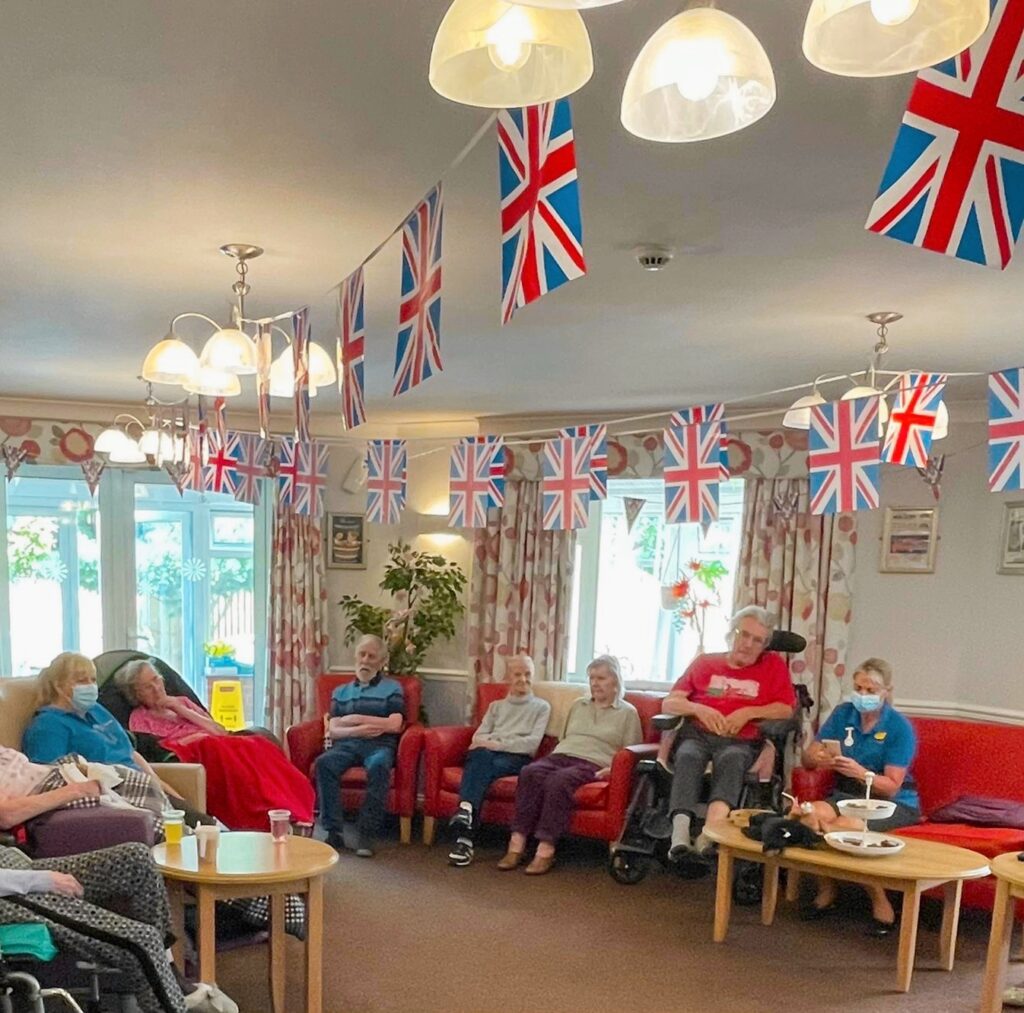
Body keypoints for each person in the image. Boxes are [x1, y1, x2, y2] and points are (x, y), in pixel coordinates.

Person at [0, 841, 237, 1013]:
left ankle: (171, 977)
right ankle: (171, 1003)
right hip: (7, 892)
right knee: (141, 939)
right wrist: (41, 881)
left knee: (136, 859)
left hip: (10, 863)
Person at [114, 660, 315, 832]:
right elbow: (157, 748)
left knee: (259, 744)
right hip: (196, 751)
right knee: (225, 755)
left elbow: (219, 730)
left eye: (157, 680)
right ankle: (268, 815)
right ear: (136, 694)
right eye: (147, 687)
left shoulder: (182, 702)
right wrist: (195, 738)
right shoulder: (139, 717)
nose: (156, 688)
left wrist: (179, 708)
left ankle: (288, 808)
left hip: (216, 741)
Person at [664, 605, 797, 862]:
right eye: (743, 634)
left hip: (741, 741)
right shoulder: (705, 663)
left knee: (731, 759)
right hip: (698, 735)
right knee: (688, 755)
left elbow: (785, 708)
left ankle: (708, 835)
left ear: (764, 646)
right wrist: (698, 709)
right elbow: (670, 703)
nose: (748, 644)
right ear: (732, 633)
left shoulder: (773, 666)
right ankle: (679, 836)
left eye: (757, 640)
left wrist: (747, 712)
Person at [800, 657, 920, 936]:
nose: (863, 696)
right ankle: (827, 890)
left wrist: (860, 772)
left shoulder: (899, 727)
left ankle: (881, 904)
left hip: (891, 802)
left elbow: (891, 786)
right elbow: (808, 759)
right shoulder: (843, 714)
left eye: (871, 690)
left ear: (886, 691)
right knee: (808, 815)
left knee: (846, 827)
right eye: (858, 689)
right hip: (847, 795)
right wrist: (816, 757)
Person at [21, 653, 211, 828]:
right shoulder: (48, 725)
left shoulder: (96, 710)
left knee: (205, 827)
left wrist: (162, 788)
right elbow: (51, 779)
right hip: (113, 796)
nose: (90, 686)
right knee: (188, 835)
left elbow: (130, 753)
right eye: (81, 681)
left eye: (93, 680)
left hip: (142, 785)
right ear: (58, 685)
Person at [498, 655, 642, 876]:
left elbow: (632, 752)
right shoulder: (578, 705)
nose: (595, 683)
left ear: (615, 681)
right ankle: (516, 843)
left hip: (592, 762)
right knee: (529, 772)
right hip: (561, 754)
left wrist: (613, 770)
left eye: (601, 678)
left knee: (559, 780)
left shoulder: (627, 713)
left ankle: (546, 848)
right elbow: (563, 738)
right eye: (592, 678)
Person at [447, 654, 550, 868]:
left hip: (516, 759)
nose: (523, 679)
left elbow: (530, 745)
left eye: (528, 674)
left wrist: (497, 743)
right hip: (488, 756)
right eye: (517, 674)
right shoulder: (496, 706)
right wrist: (493, 744)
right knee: (481, 757)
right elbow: (477, 737)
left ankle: (465, 830)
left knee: (479, 761)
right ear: (508, 677)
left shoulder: (541, 707)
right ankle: (465, 824)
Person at [314, 635, 405, 858]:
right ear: (355, 657)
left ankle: (367, 833)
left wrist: (354, 719)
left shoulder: (392, 688)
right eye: (362, 654)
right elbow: (333, 729)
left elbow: (395, 724)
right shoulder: (340, 692)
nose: (365, 660)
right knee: (324, 763)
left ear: (381, 661)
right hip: (347, 744)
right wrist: (363, 728)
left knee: (379, 766)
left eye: (371, 656)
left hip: (379, 745)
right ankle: (334, 831)